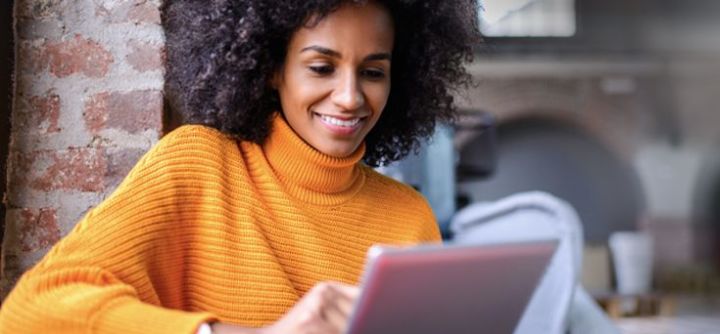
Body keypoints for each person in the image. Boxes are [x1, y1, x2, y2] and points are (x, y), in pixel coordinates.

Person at [0, 0, 479, 333]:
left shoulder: (409, 216)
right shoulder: (199, 164)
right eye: (321, 67)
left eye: (373, 72)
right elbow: (31, 315)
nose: (351, 97)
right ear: (272, 67)